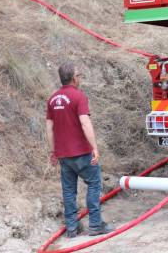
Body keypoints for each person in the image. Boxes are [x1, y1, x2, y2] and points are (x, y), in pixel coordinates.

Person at [46, 62, 114, 238]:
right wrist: (94, 148)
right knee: (94, 184)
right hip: (82, 153)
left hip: (63, 155)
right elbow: (85, 123)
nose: (80, 78)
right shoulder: (79, 96)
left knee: (69, 190)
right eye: (79, 75)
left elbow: (49, 128)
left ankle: (72, 228)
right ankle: (95, 225)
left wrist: (53, 152)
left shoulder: (52, 99)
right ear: (74, 78)